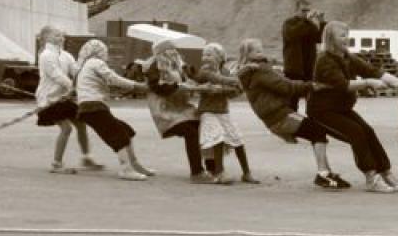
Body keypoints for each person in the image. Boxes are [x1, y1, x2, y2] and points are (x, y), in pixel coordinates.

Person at [236, 38, 351, 190]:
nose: (261, 53)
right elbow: (285, 86)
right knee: (317, 131)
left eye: (261, 49)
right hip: (280, 115)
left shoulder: (249, 72)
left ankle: (326, 172)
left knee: (316, 132)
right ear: (247, 54)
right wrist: (311, 86)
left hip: (273, 118)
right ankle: (323, 174)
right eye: (257, 51)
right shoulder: (260, 70)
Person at [308, 21, 398, 193]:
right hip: (322, 111)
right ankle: (371, 178)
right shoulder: (324, 60)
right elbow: (344, 85)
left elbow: (373, 71)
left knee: (368, 131)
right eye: (342, 35)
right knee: (356, 132)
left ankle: (385, 171)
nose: (347, 38)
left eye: (347, 34)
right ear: (331, 38)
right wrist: (368, 83)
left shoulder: (347, 57)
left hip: (341, 109)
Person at [73, 39, 153, 180]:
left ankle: (134, 164)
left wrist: (127, 88)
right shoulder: (95, 62)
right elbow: (113, 79)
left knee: (126, 131)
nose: (106, 54)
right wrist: (137, 86)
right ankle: (126, 169)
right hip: (94, 107)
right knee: (119, 135)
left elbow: (105, 84)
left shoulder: (86, 65)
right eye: (104, 51)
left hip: (90, 107)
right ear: (98, 51)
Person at [34, 26, 103, 174]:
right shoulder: (46, 55)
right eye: (57, 35)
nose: (61, 37)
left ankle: (86, 158)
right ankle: (56, 164)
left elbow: (76, 71)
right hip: (49, 100)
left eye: (62, 35)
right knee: (67, 128)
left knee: (81, 124)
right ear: (46, 38)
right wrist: (74, 87)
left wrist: (87, 65)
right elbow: (56, 75)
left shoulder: (66, 55)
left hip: (64, 98)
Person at [144, 40, 211, 184]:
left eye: (175, 49)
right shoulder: (155, 66)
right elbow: (157, 87)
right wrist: (178, 87)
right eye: (170, 49)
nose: (174, 52)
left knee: (202, 125)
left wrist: (199, 80)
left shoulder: (178, 64)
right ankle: (197, 172)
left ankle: (211, 167)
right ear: (162, 52)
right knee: (191, 132)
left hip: (181, 108)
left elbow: (193, 76)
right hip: (165, 110)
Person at [193, 43, 257, 185]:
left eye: (209, 55)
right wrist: (234, 80)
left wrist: (223, 90)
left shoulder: (225, 71)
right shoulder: (205, 71)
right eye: (204, 55)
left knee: (237, 139)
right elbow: (216, 79)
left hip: (223, 111)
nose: (205, 58)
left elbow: (236, 91)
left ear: (220, 57)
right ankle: (220, 172)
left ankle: (247, 173)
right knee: (218, 137)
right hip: (208, 111)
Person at [282, 0, 325, 111]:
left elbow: (320, 38)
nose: (306, 13)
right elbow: (293, 34)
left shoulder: (310, 25)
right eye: (303, 10)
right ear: (296, 10)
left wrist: (321, 22)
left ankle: (313, 120)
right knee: (291, 103)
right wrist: (309, 21)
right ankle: (292, 121)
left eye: (308, 10)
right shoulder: (289, 23)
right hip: (293, 70)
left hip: (309, 69)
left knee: (312, 102)